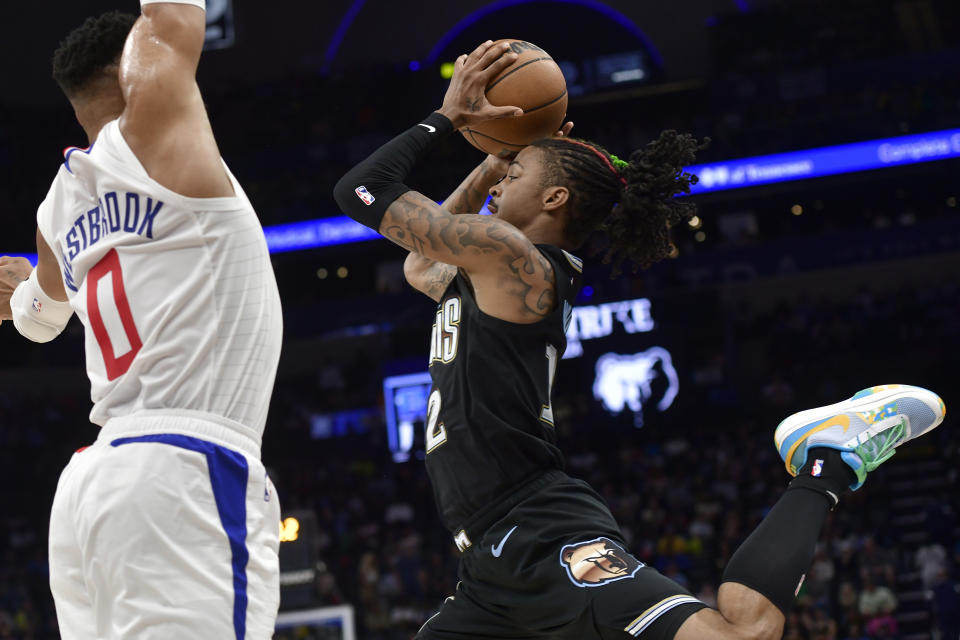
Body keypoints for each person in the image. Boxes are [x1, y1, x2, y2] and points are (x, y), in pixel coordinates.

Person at [333, 40, 946, 640]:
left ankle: (827, 461)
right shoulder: (491, 271)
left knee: (741, 637)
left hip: (541, 534)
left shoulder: (512, 258)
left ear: (554, 197)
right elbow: (419, 267)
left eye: (512, 172)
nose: (496, 183)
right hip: (488, 565)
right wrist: (491, 160)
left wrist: (449, 119)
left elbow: (360, 189)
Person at [0, 3, 282, 638]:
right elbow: (170, 16)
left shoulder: (55, 209)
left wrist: (18, 292)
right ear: (133, 67)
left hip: (92, 487)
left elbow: (38, 323)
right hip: (182, 470)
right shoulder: (157, 123)